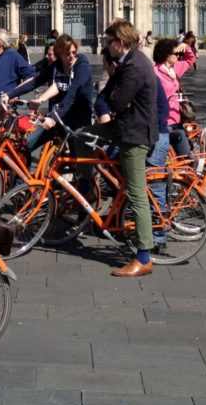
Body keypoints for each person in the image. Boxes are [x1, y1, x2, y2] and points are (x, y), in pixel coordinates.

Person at [99, 20, 158, 278]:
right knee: (79, 137)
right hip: (125, 128)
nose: (105, 45)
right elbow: (104, 97)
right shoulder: (128, 61)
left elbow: (117, 99)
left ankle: (143, 256)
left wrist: (107, 99)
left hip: (134, 135)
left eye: (108, 41)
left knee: (137, 194)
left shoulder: (134, 66)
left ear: (120, 43)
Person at [13, 34, 94, 165]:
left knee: (80, 165)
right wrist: (9, 95)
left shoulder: (82, 65)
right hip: (57, 119)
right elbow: (35, 81)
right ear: (60, 54)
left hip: (77, 122)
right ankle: (20, 181)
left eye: (74, 52)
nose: (72, 56)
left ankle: (84, 183)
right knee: (26, 146)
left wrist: (53, 116)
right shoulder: (57, 66)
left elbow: (72, 93)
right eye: (68, 53)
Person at [153, 38, 195, 158]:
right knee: (160, 159)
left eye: (179, 53)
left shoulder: (176, 68)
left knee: (186, 157)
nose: (178, 56)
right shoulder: (155, 71)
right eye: (175, 53)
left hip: (176, 119)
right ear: (165, 54)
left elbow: (190, 59)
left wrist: (185, 47)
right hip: (162, 120)